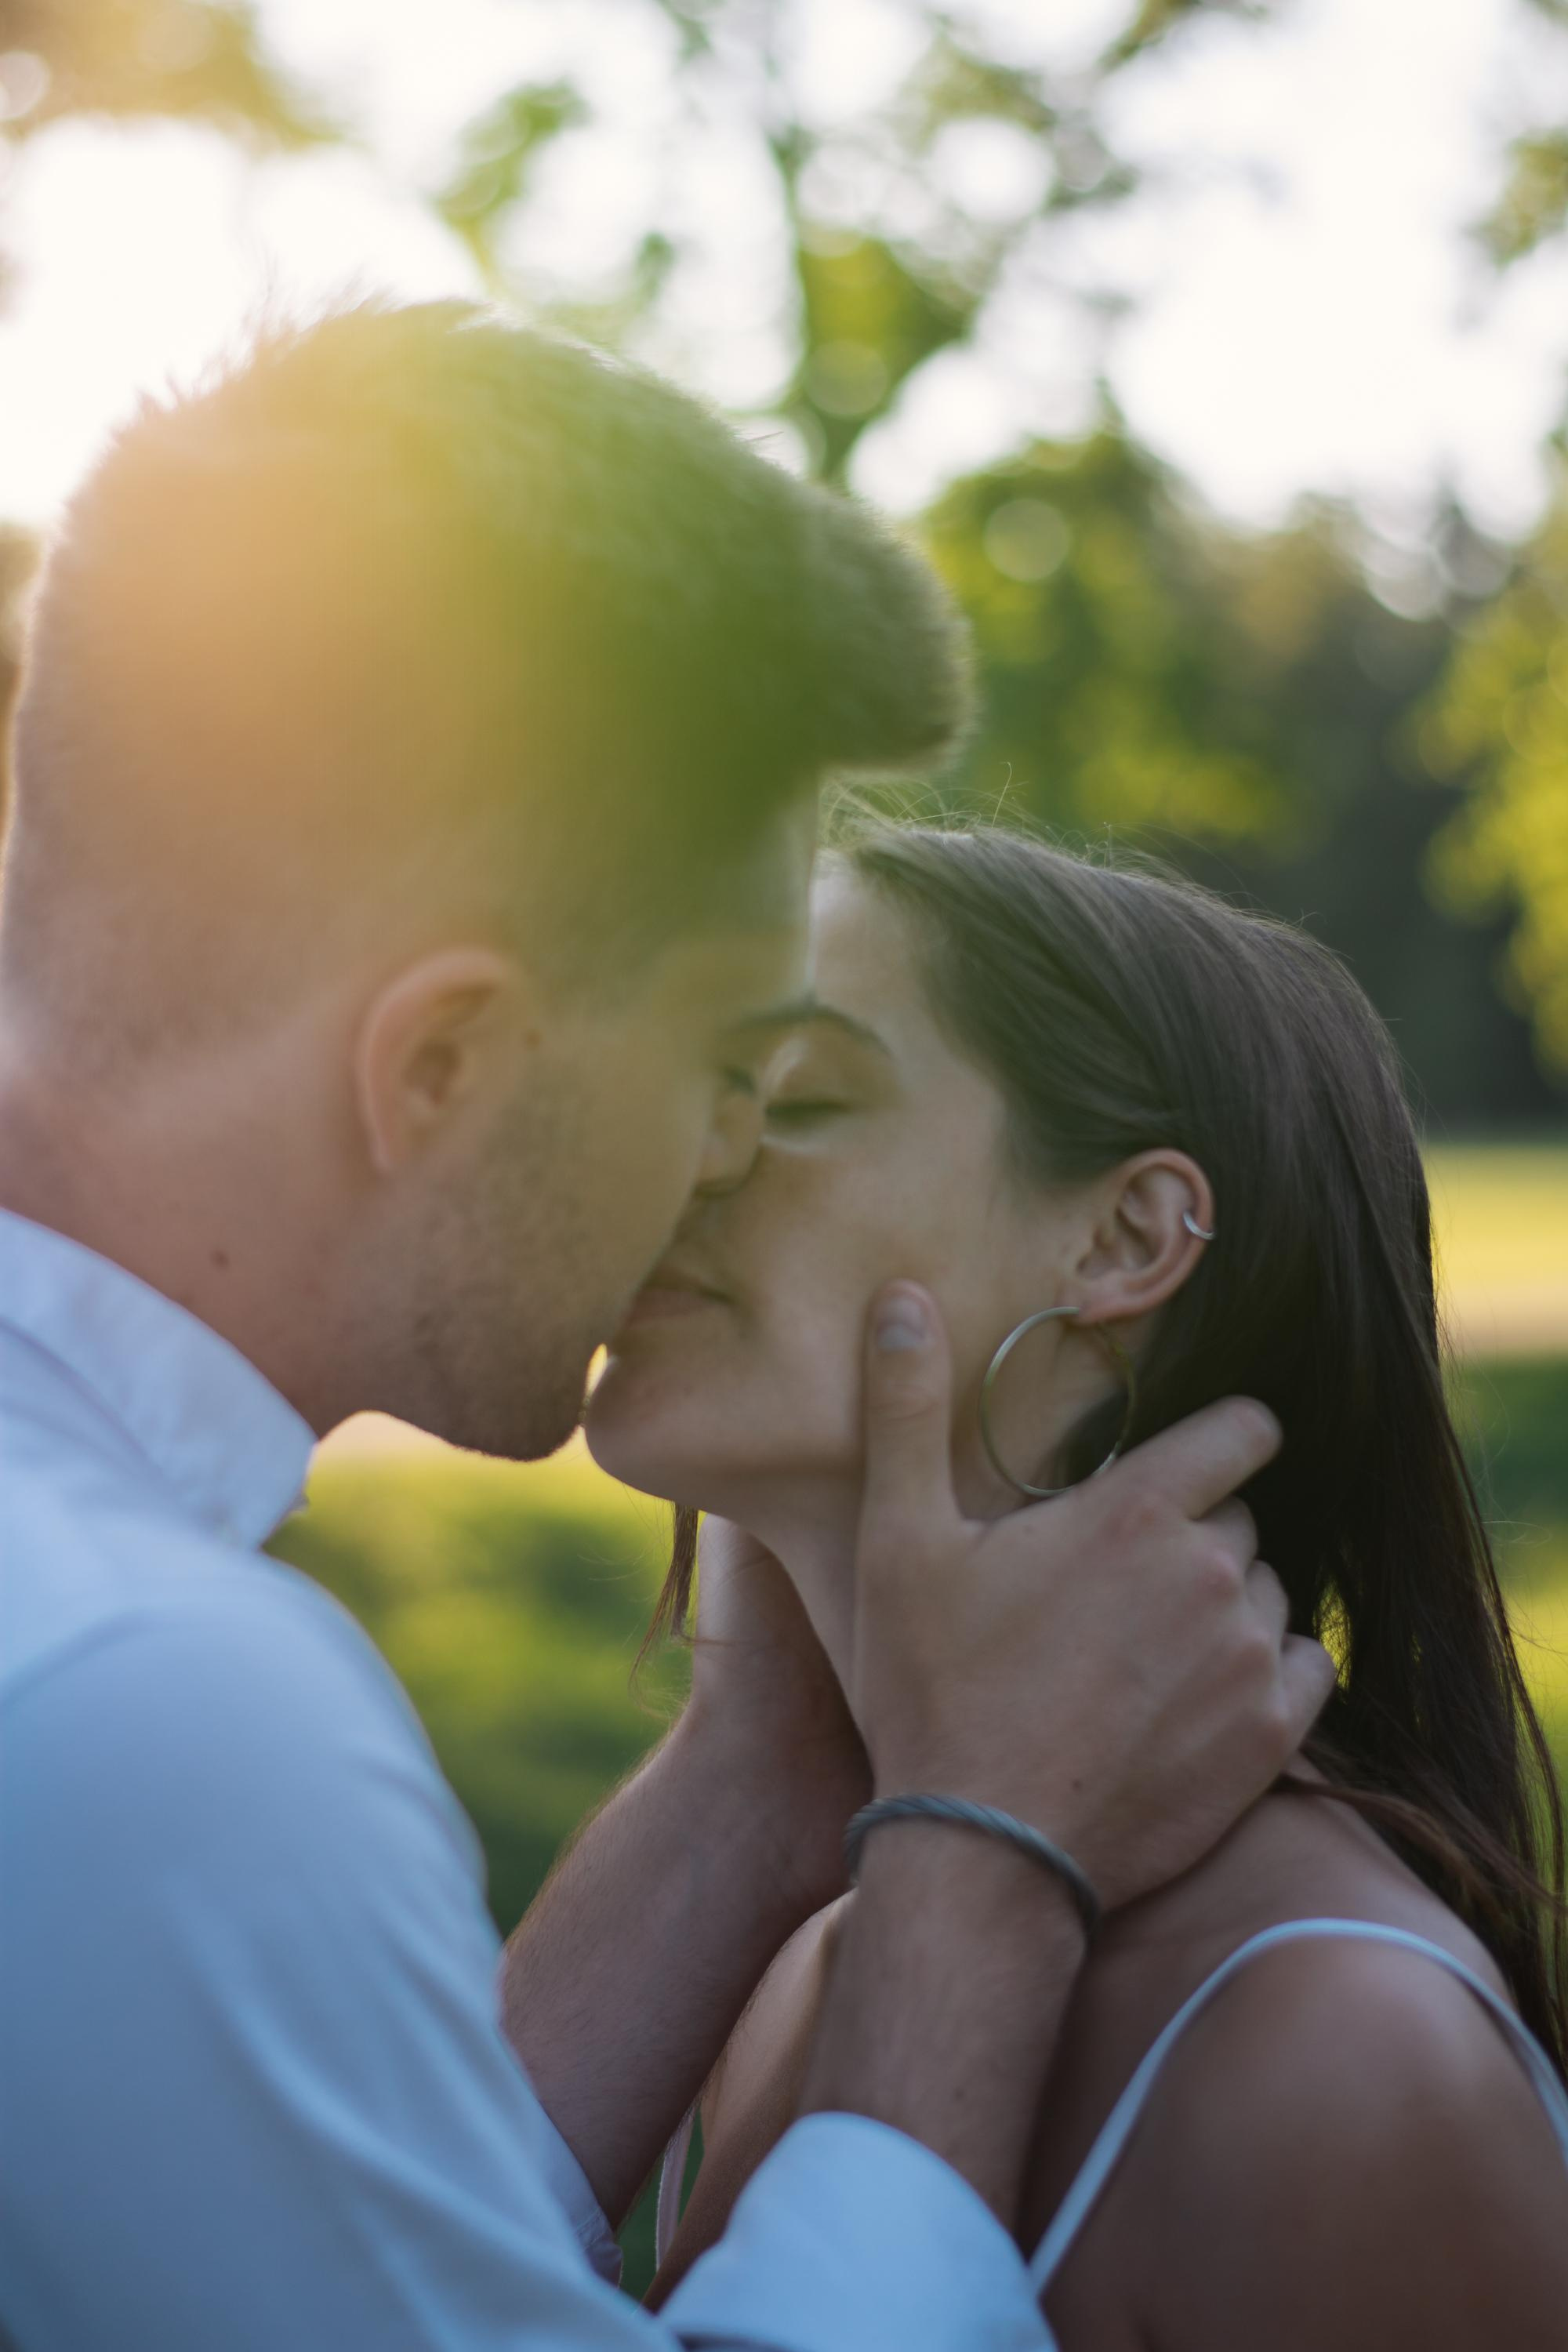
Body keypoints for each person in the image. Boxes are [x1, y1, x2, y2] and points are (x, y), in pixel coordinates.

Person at [0, 302, 1330, 2352]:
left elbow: (310, 2261)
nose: (722, 1162)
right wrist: (980, 1869)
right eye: (734, 1063)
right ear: (442, 1063)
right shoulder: (158, 1713)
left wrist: (750, 1782)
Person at [583, 818, 1568, 2348]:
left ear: (1124, 1239)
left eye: (792, 1093)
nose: (679, 1154)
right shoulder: (809, 1960)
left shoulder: (1339, 2065)